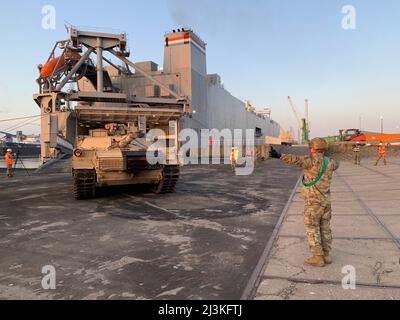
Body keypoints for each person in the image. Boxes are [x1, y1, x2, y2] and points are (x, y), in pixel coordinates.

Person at [269, 138, 340, 267]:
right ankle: (326, 255)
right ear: (324, 149)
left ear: (312, 148)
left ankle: (317, 257)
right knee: (325, 228)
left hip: (313, 202)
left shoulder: (310, 161)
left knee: (312, 228)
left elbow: (295, 159)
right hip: (326, 202)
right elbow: (337, 164)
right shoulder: (330, 162)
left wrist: (278, 155)